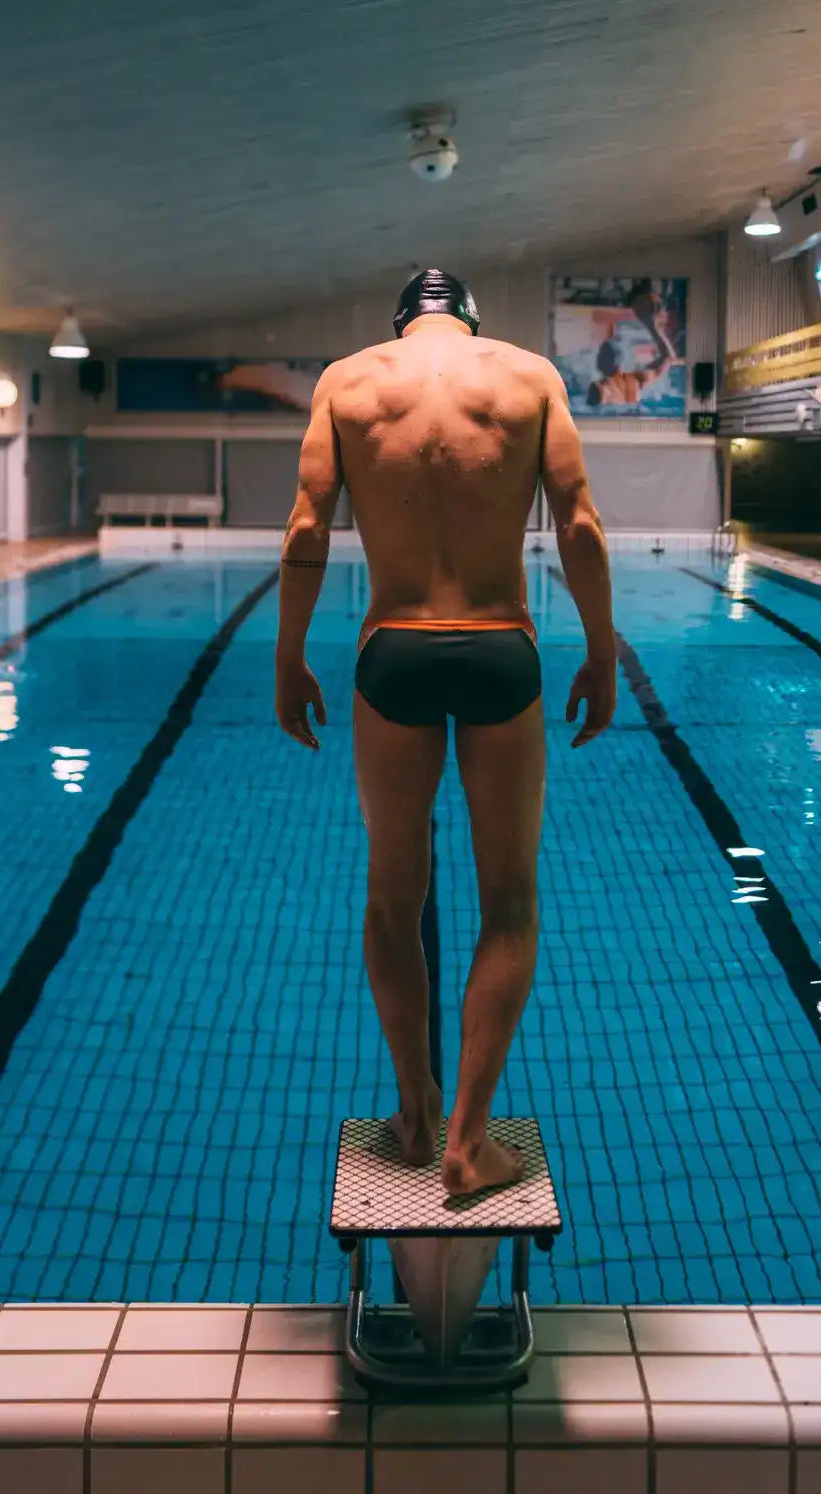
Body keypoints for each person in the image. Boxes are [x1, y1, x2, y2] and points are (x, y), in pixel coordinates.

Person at [275, 269, 616, 1197]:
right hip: (503, 647)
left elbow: (308, 527)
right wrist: (601, 653)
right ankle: (470, 1137)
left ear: (401, 322)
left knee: (393, 901)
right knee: (509, 903)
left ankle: (417, 1112)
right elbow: (579, 523)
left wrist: (288, 656)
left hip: (394, 653)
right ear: (471, 321)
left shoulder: (347, 381)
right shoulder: (528, 375)